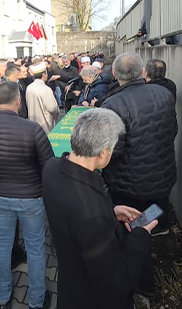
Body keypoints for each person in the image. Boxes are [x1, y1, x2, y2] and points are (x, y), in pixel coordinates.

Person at [43, 109, 157, 309]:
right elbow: (118, 281)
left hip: (69, 284)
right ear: (103, 152)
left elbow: (71, 218)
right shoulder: (91, 214)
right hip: (92, 299)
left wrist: (110, 211)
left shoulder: (51, 168)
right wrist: (140, 234)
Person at [100, 52, 178, 297]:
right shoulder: (164, 94)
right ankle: (159, 238)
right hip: (163, 177)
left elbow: (115, 150)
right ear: (142, 72)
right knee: (154, 214)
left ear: (115, 75)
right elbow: (173, 130)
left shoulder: (112, 105)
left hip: (131, 187)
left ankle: (144, 283)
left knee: (135, 233)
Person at [0, 82, 53, 309]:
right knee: (35, 247)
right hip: (31, 196)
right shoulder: (33, 129)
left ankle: (1, 299)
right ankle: (37, 300)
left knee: (0, 244)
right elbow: (48, 165)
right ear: (18, 101)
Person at [25, 62, 60, 132]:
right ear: (44, 74)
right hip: (45, 124)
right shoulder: (45, 89)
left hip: (32, 123)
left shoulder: (29, 87)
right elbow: (52, 108)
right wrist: (57, 113)